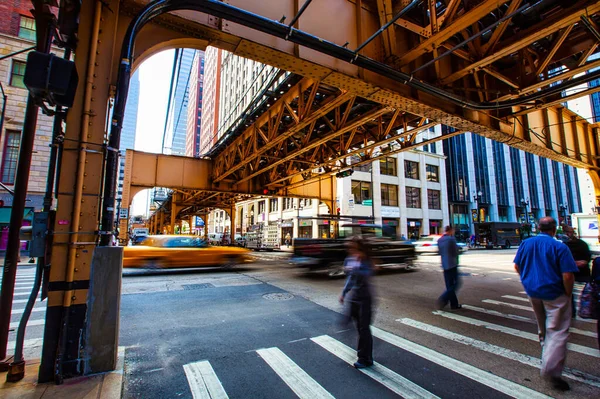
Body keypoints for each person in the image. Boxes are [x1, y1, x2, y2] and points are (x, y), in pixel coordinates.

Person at [513, 217, 577, 391]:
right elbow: (568, 275)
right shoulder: (559, 247)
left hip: (533, 292)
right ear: (554, 229)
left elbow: (517, 266)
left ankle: (547, 355)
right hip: (554, 293)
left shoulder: (526, 243)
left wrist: (527, 280)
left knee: (543, 327)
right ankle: (551, 369)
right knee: (558, 331)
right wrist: (568, 293)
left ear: (539, 228)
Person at [339, 238, 374, 369]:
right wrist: (344, 292)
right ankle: (365, 355)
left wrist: (357, 266)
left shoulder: (365, 261)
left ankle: (365, 358)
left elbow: (367, 273)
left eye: (354, 249)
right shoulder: (350, 259)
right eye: (350, 249)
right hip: (354, 297)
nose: (352, 251)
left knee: (364, 329)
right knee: (359, 327)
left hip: (365, 298)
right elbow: (350, 277)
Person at [563, 225, 591, 317]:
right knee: (572, 294)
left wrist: (583, 262)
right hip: (574, 272)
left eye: (570, 232)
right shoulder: (564, 245)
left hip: (579, 272)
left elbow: (587, 257)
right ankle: (575, 312)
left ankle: (585, 310)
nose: (569, 234)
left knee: (586, 292)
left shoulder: (580, 244)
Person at [437, 225, 462, 310]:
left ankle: (454, 304)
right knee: (456, 284)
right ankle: (444, 298)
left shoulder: (439, 240)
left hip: (444, 264)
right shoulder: (451, 239)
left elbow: (440, 252)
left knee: (449, 285)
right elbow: (455, 252)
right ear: (451, 231)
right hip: (452, 264)